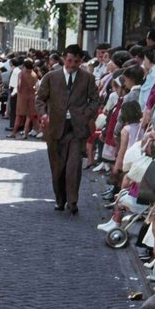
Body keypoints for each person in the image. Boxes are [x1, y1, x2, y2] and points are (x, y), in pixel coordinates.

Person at [35, 44, 102, 215]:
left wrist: (84, 115)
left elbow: (95, 100)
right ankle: (60, 199)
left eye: (76, 61)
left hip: (76, 129)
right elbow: (40, 99)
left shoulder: (87, 78)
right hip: (55, 128)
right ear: (64, 58)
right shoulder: (51, 77)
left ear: (81, 62)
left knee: (73, 167)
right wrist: (43, 114)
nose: (72, 65)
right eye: (70, 60)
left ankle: (72, 201)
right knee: (58, 169)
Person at [13, 58, 38, 139]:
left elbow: (19, 85)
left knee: (19, 115)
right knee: (29, 116)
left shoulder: (21, 73)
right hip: (31, 96)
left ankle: (14, 132)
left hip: (22, 96)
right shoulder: (34, 74)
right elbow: (37, 87)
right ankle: (25, 133)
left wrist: (18, 91)